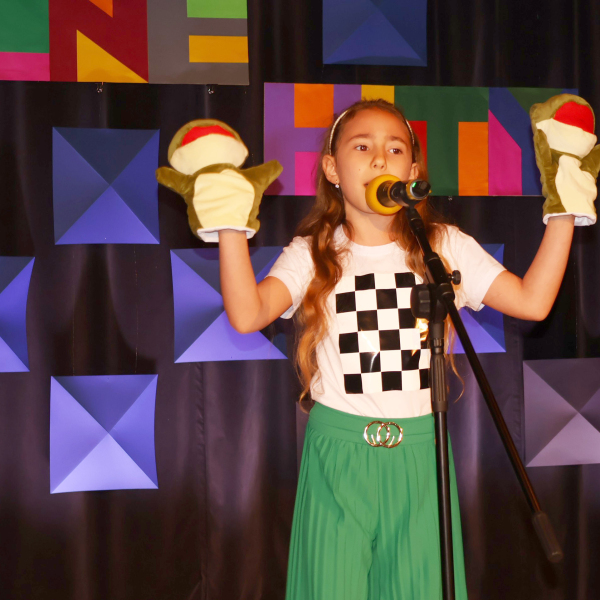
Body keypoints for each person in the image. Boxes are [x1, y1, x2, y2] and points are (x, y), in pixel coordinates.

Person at [217, 99, 579, 600]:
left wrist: (564, 211)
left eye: (395, 149)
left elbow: (532, 302)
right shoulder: (312, 252)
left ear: (412, 172)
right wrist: (229, 226)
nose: (379, 158)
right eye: (361, 146)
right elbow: (247, 314)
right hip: (338, 454)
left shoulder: (443, 245)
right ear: (331, 169)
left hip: (420, 454)